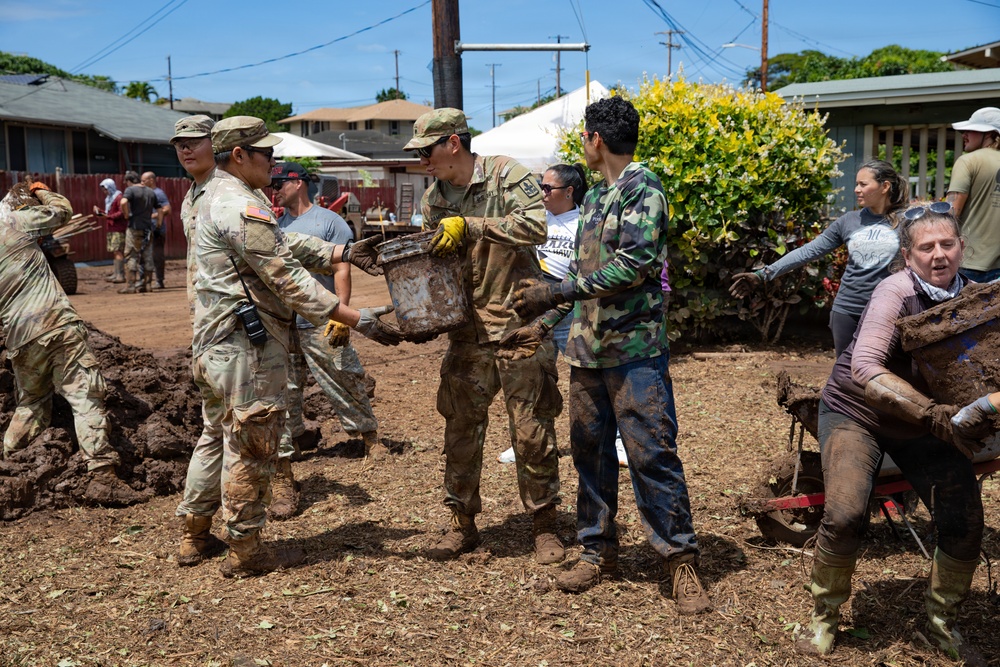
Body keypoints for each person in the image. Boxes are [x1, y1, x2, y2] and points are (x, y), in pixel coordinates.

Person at [500, 96, 712, 615]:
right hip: (587, 351)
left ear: (597, 140)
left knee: (651, 454)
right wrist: (542, 323)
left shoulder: (645, 189)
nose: (582, 146)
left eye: (584, 138)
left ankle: (679, 562)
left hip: (635, 352)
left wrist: (554, 296)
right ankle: (597, 552)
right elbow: (582, 272)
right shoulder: (595, 196)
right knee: (590, 455)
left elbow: (635, 266)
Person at [190, 115, 400, 578]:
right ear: (240, 156)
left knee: (213, 436)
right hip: (244, 347)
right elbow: (285, 277)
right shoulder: (238, 204)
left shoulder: (212, 196)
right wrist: (354, 318)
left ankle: (194, 532)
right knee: (252, 445)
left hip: (213, 345)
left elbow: (278, 242)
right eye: (266, 155)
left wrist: (339, 253)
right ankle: (247, 552)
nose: (275, 163)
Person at [795, 201, 984, 663]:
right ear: (907, 255)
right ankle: (825, 617)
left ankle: (942, 624)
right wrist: (932, 413)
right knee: (843, 516)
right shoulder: (894, 292)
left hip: (926, 424)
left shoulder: (976, 298)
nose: (938, 255)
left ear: (961, 247)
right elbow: (864, 366)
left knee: (965, 522)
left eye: (947, 244)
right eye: (926, 247)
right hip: (856, 413)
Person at [402, 107, 565, 566]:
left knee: (532, 430)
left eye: (426, 151)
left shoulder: (505, 174)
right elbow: (437, 270)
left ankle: (544, 524)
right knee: (460, 429)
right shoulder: (433, 200)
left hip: (518, 325)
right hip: (467, 334)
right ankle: (461, 523)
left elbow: (535, 227)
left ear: (453, 143)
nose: (422, 161)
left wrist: (471, 225)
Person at [0, 183, 147, 506]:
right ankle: (101, 474)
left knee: (31, 403)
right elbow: (63, 211)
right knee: (84, 393)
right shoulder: (14, 221)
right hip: (56, 323)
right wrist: (42, 191)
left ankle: (8, 459)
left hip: (19, 338)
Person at [269, 160, 384, 521]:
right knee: (285, 389)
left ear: (298, 183)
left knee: (344, 375)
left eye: (280, 183)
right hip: (284, 322)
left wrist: (343, 314)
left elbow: (342, 268)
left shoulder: (328, 221)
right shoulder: (276, 225)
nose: (274, 189)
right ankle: (294, 443)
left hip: (320, 318)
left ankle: (370, 438)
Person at [496, 163, 630, 468]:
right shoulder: (536, 220)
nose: (541, 194)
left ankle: (618, 442)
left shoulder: (585, 222)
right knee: (532, 375)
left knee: (591, 374)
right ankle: (531, 440)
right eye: (539, 187)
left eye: (547, 188)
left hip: (571, 303)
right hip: (534, 303)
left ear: (569, 192)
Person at [730, 159, 908, 357]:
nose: (857, 189)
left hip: (887, 309)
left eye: (863, 184)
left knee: (882, 371)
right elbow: (808, 251)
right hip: (847, 310)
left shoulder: (907, 222)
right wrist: (763, 274)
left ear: (885, 187)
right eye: (856, 184)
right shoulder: (848, 221)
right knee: (846, 374)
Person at [946, 107, 1000, 283]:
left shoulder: (968, 161)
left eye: (972, 130)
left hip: (970, 264)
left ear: (990, 134)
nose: (964, 134)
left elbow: (950, 214)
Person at [118, 170, 158, 294]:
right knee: (147, 256)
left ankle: (131, 286)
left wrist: (126, 214)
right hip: (148, 228)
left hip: (134, 228)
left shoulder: (130, 190)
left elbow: (123, 202)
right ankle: (148, 285)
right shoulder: (151, 191)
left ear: (129, 181)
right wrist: (160, 222)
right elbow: (160, 208)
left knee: (131, 255)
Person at [141, 171, 171, 290]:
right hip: (147, 229)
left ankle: (159, 280)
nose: (141, 183)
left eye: (144, 180)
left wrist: (152, 215)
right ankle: (146, 281)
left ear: (151, 180)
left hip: (157, 229)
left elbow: (167, 209)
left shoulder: (158, 193)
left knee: (157, 255)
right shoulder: (146, 192)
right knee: (145, 256)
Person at [93, 178, 127, 284]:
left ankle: (120, 275)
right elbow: (109, 213)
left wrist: (108, 216)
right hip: (112, 228)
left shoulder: (119, 197)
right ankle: (116, 273)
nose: (105, 192)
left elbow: (121, 213)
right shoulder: (110, 198)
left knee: (118, 251)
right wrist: (100, 212)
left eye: (105, 189)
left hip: (118, 228)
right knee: (115, 251)